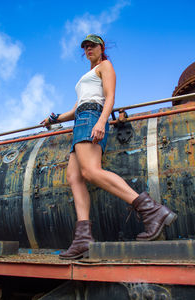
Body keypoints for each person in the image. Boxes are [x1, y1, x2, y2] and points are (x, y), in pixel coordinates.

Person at [41, 34, 177, 260]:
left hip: (92, 117)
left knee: (91, 171)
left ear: (101, 47)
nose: (88, 50)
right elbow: (75, 109)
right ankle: (83, 239)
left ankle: (152, 211)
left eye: (92, 45)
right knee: (74, 177)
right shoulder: (86, 76)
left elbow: (110, 96)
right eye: (85, 47)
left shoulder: (106, 65)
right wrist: (53, 119)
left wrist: (102, 121)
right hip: (81, 119)